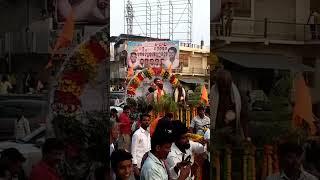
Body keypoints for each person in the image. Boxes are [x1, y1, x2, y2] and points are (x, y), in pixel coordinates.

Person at [210, 69, 249, 143]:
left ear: (230, 83)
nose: (223, 89)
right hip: (216, 134)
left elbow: (244, 117)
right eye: (221, 87)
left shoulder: (239, 95)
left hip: (234, 134)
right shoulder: (212, 94)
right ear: (217, 84)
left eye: (226, 86)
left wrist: (247, 138)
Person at [131, 114, 151, 180]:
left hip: (147, 163)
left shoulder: (148, 133)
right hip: (139, 164)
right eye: (144, 120)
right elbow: (133, 150)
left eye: (148, 120)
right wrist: (135, 166)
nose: (146, 122)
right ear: (140, 121)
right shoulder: (137, 134)